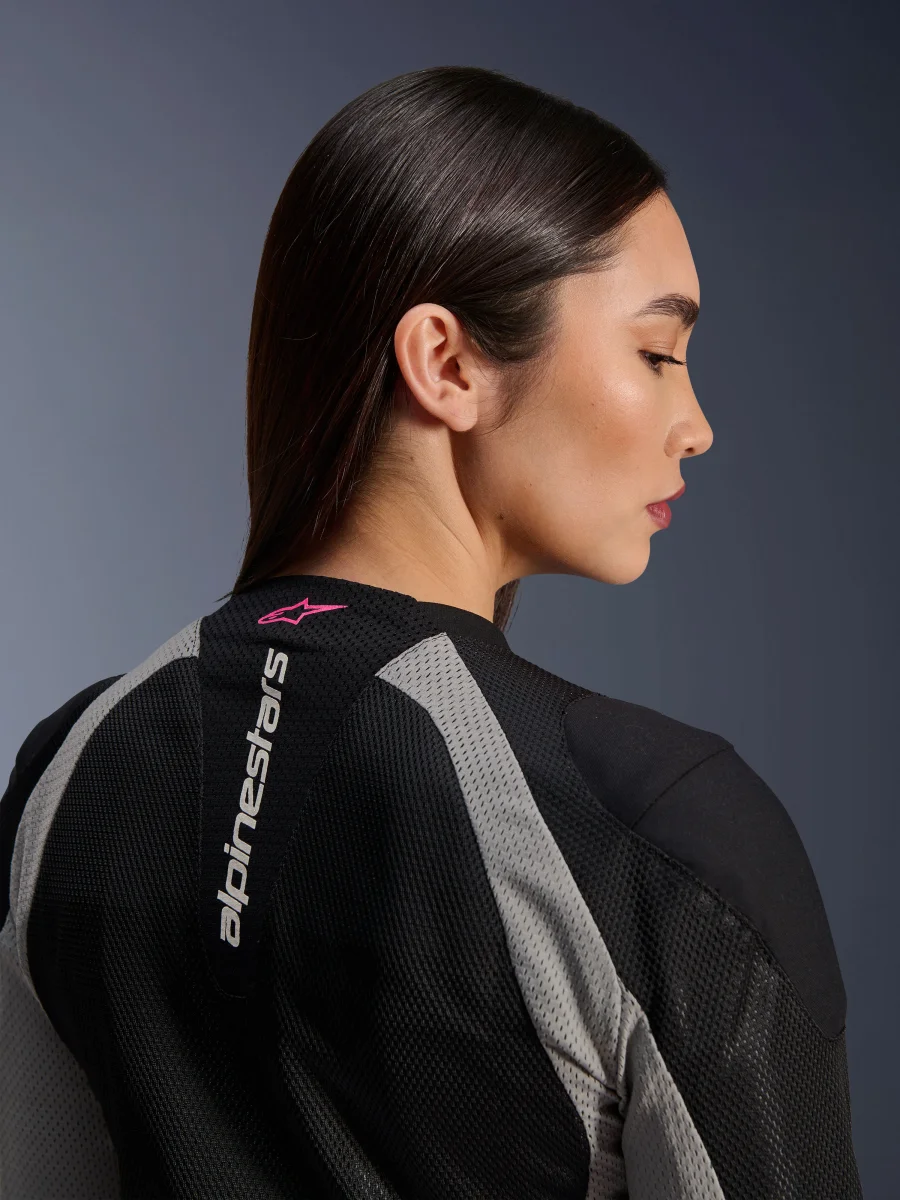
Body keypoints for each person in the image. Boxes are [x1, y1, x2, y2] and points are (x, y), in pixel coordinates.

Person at [0, 65, 862, 1199]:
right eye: (657, 353)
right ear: (448, 364)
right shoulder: (658, 825)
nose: (694, 425)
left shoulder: (67, 777)